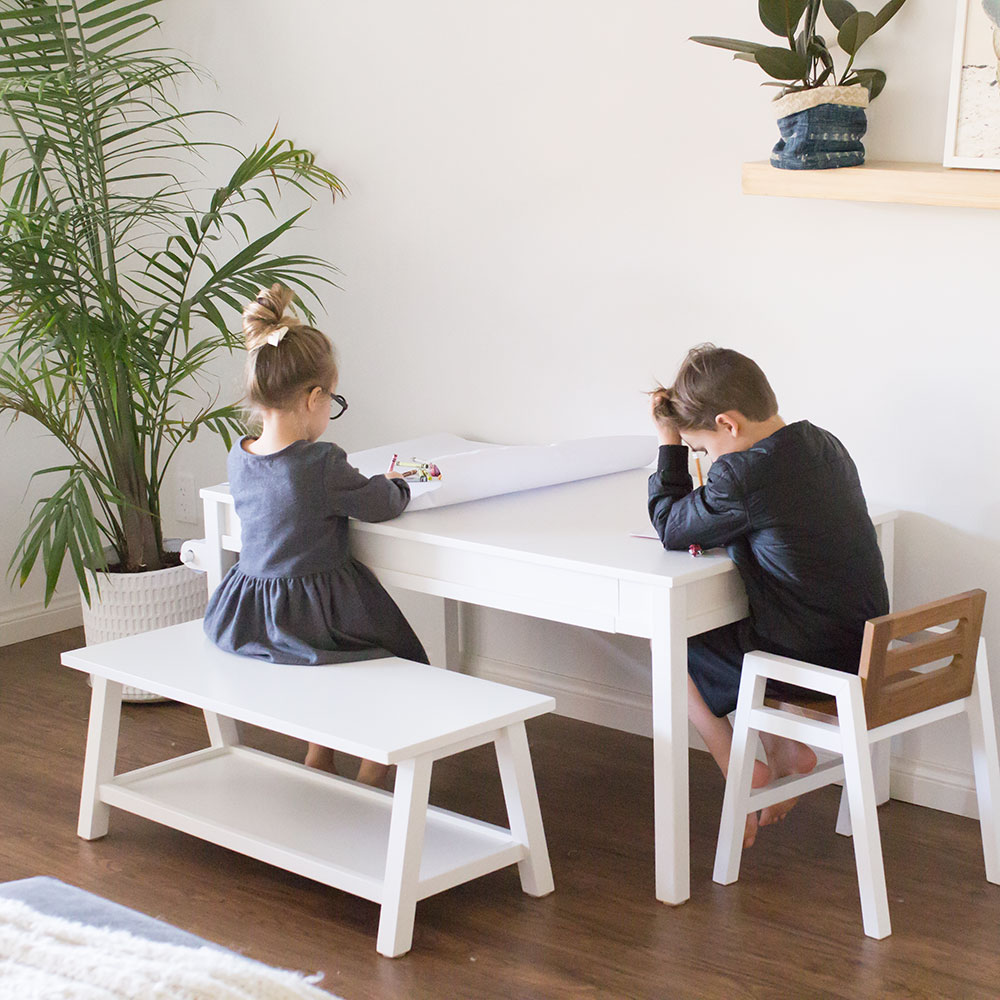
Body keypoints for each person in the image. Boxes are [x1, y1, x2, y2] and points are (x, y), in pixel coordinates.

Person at [647, 344, 888, 847]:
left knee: (671, 645)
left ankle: (740, 768)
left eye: (703, 450)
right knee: (743, 629)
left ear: (728, 424)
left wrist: (669, 443)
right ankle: (784, 751)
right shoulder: (823, 443)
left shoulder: (742, 474)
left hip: (815, 661)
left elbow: (672, 526)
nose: (707, 462)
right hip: (862, 646)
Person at [203, 283, 428, 787]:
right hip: (310, 615)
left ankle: (320, 755)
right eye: (334, 401)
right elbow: (379, 505)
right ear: (314, 398)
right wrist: (397, 485)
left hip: (250, 613)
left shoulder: (240, 456)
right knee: (401, 657)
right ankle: (372, 771)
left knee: (324, 669)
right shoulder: (321, 462)